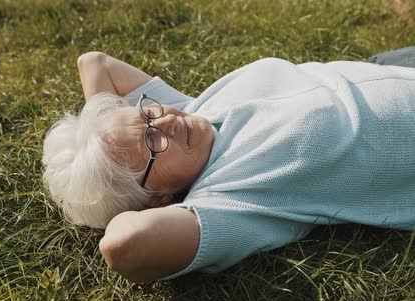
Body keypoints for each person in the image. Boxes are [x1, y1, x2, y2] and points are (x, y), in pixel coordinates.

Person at [42, 48, 415, 283]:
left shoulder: (194, 110)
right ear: (158, 199)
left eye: (148, 114)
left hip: (393, 68)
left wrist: (110, 132)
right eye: (153, 142)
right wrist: (128, 196)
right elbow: (125, 244)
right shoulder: (229, 198)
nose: (168, 121)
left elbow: (94, 63)